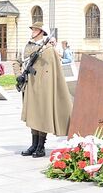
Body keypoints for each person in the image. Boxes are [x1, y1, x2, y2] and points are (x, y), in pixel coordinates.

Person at [20, 21, 73, 158]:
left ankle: (40, 146)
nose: (32, 31)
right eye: (32, 29)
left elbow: (53, 69)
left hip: (43, 87)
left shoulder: (48, 49)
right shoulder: (29, 46)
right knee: (33, 114)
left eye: (35, 29)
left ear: (41, 33)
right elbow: (19, 61)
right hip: (30, 84)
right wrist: (18, 76)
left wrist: (46, 85)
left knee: (42, 115)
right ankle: (33, 144)